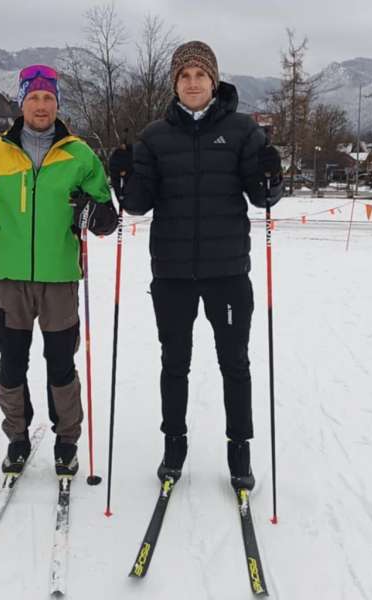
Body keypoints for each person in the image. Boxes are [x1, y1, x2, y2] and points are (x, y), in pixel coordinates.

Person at [109, 41, 283, 490]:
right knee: (174, 363)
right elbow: (136, 205)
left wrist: (271, 174)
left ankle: (239, 448)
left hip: (227, 272)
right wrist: (122, 177)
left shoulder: (244, 130)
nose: (192, 83)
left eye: (199, 75)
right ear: (174, 83)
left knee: (235, 364)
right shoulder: (154, 136)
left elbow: (262, 197)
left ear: (213, 80)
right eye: (184, 76)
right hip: (172, 273)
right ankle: (174, 443)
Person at [0, 64, 118, 477]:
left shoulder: (79, 154)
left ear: (57, 103)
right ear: (22, 102)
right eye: (34, 97)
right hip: (9, 278)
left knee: (60, 363)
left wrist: (97, 214)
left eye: (48, 98)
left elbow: (103, 208)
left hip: (59, 278)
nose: (41, 105)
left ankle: (66, 440)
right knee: (12, 362)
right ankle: (17, 438)